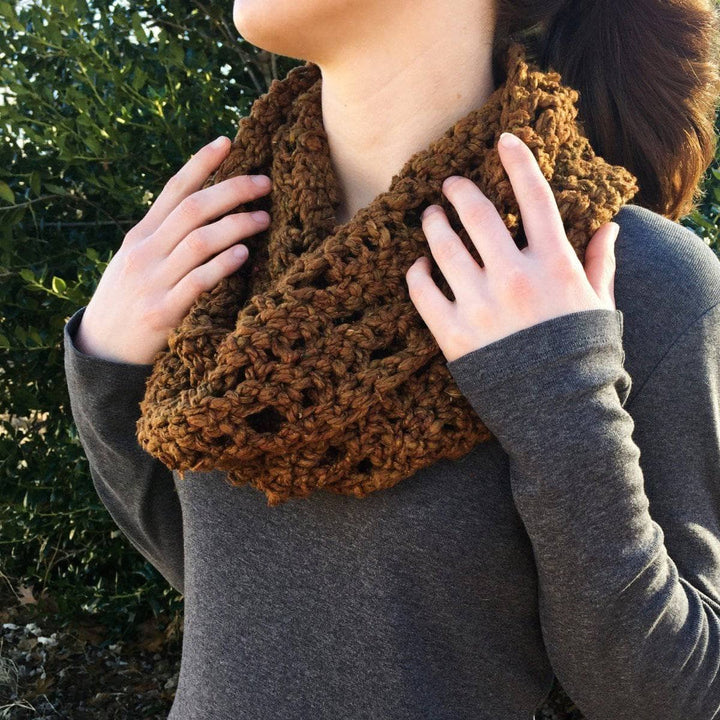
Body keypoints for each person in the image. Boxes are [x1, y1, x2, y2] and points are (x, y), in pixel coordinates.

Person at [63, 1, 720, 718]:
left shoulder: (633, 280)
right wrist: (107, 366)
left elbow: (672, 698)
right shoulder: (221, 251)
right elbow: (235, 590)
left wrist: (559, 395)